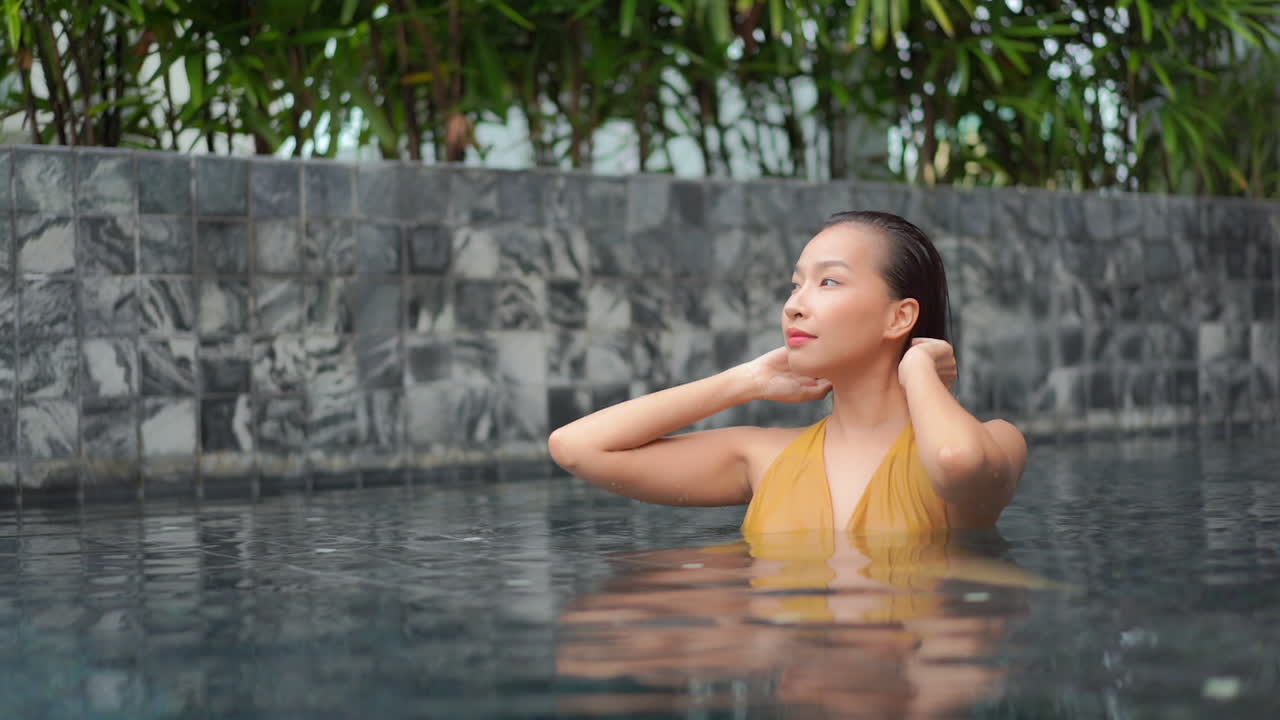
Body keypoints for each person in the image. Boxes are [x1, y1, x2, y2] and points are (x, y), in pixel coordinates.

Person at [547, 210, 1028, 534]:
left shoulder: (998, 441)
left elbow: (956, 461)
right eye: (796, 285)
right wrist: (746, 381)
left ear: (899, 317)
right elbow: (575, 447)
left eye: (829, 281)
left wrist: (918, 367)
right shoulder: (763, 457)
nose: (795, 305)